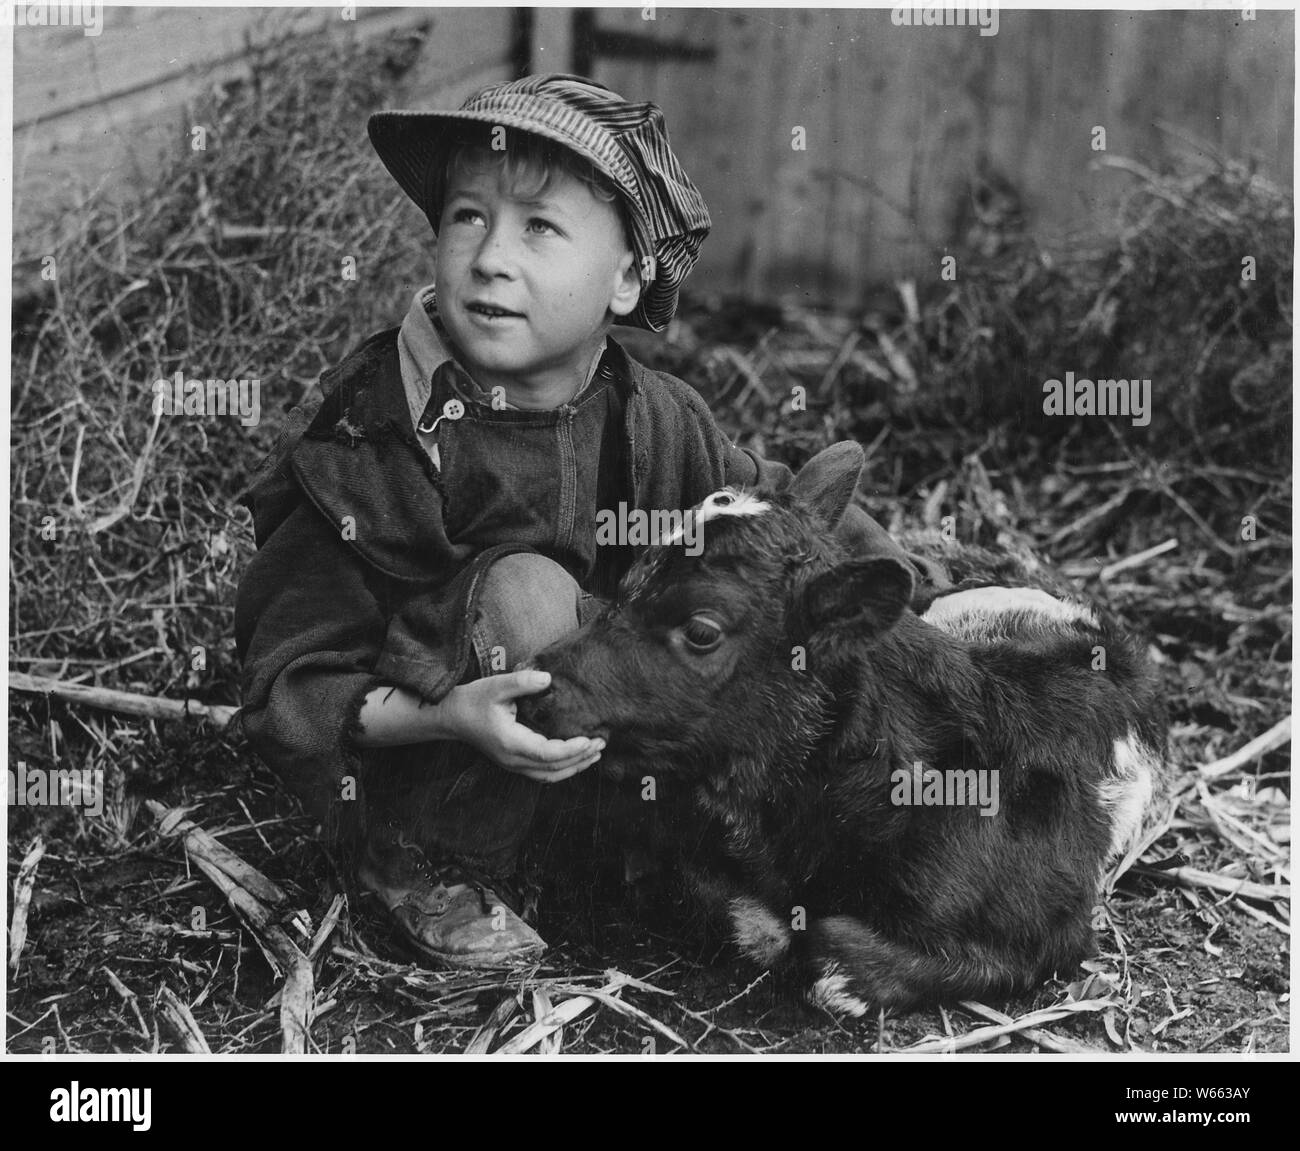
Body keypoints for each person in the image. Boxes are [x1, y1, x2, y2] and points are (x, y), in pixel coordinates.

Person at [235, 73, 937, 969]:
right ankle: (428, 858)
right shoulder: (379, 440)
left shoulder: (656, 417)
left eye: (539, 227)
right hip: (440, 751)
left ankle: (608, 844)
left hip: (598, 750)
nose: (490, 257)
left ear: (625, 278)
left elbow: (772, 516)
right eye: (466, 217)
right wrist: (450, 716)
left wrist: (922, 603)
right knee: (529, 598)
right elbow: (290, 683)